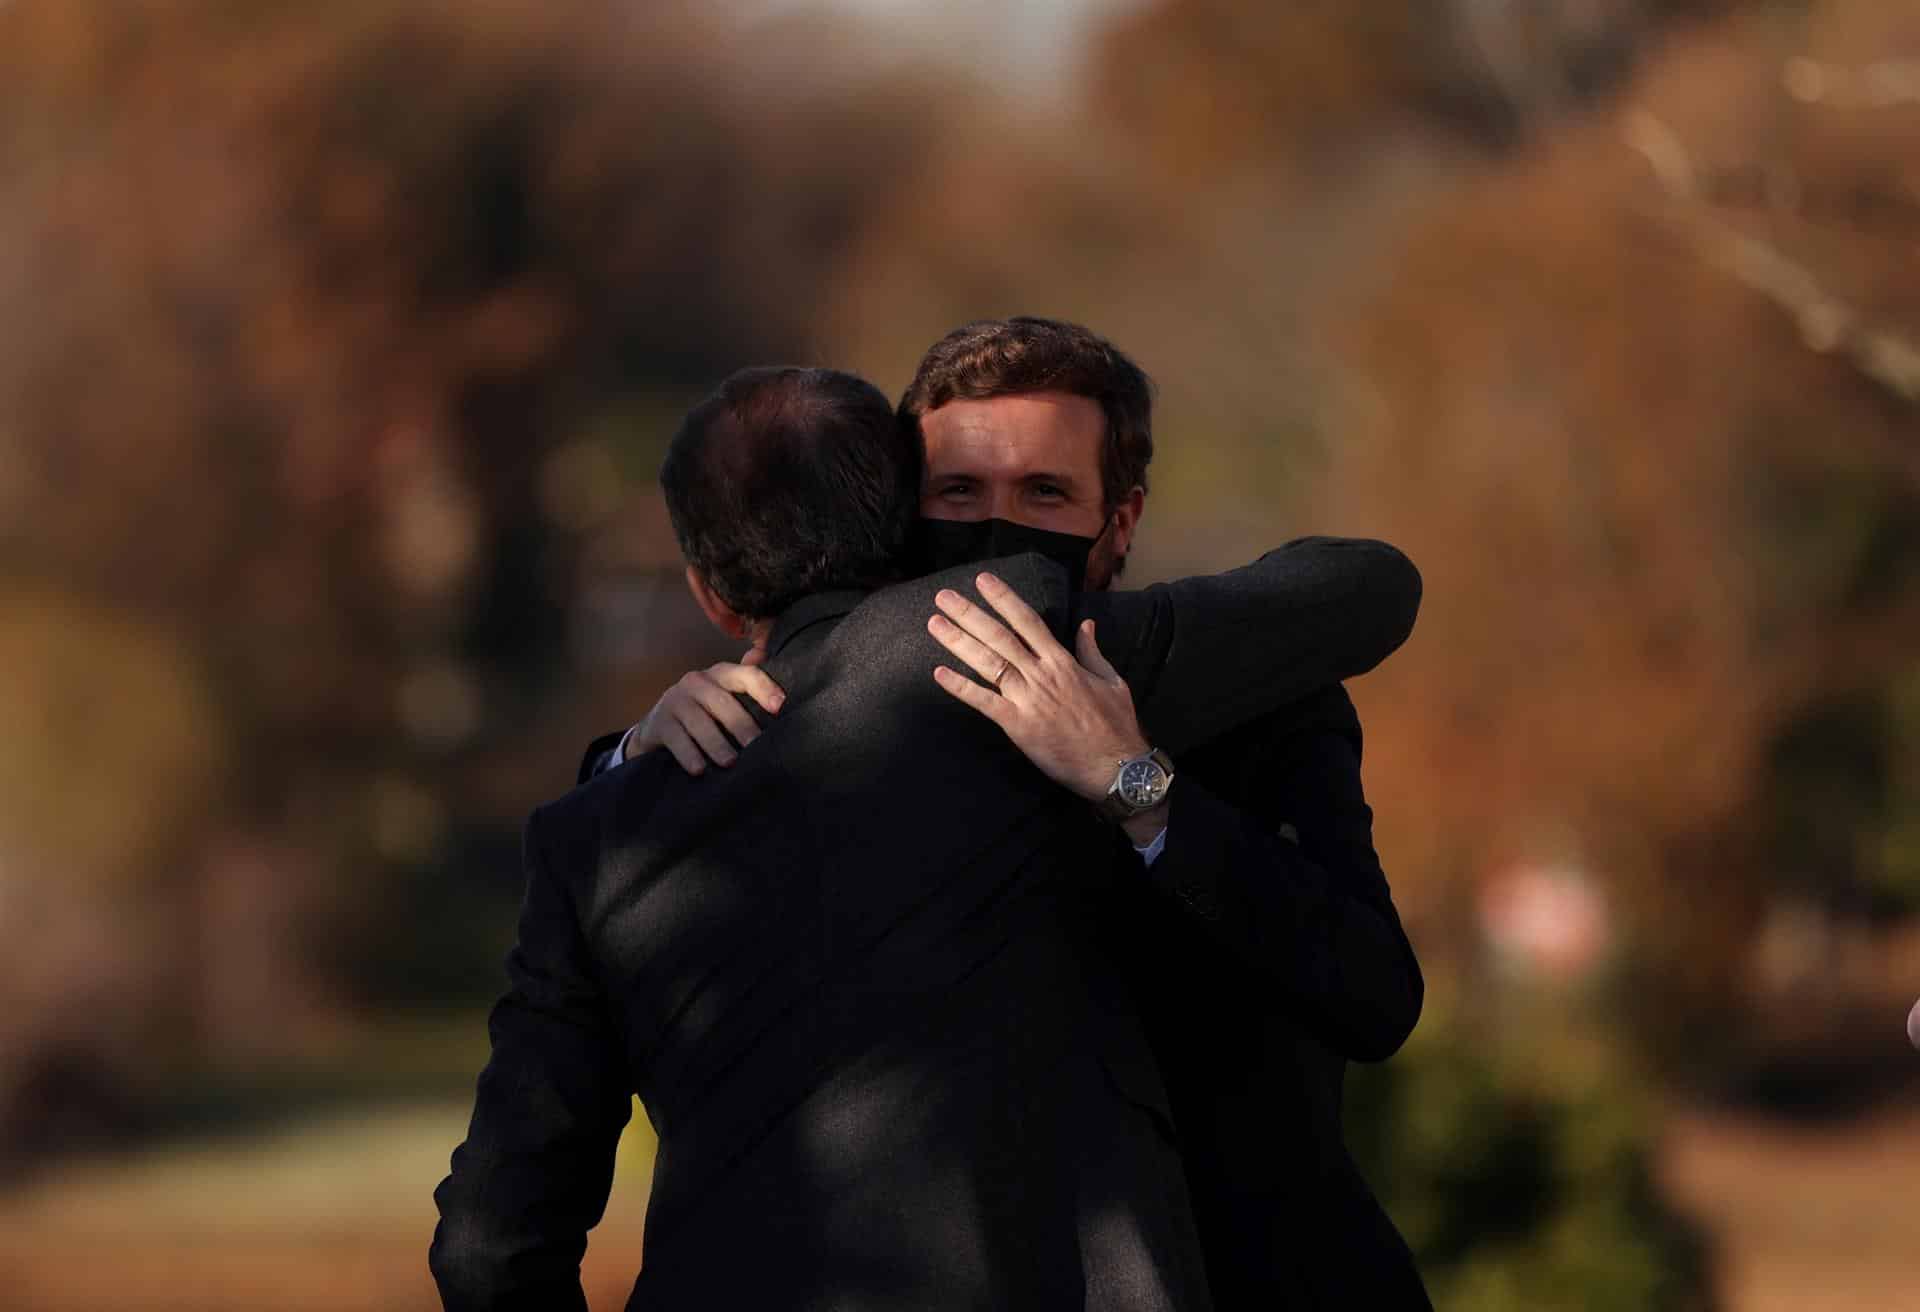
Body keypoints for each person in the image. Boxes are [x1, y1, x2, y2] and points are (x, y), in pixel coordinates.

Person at [434, 364, 1422, 1310]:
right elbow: (1369, 588)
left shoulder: (597, 834)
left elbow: (490, 1247)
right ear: (899, 525)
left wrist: (626, 778)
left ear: (709, 593)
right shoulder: (1017, 648)